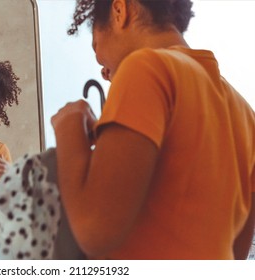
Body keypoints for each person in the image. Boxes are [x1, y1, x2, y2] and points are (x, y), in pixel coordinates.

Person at [51, 0, 255, 259]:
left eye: (96, 47)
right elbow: (236, 251)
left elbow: (94, 228)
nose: (103, 71)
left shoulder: (146, 68)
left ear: (119, 11)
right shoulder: (245, 112)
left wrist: (69, 125)